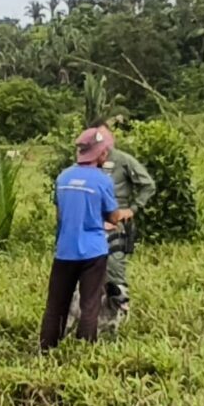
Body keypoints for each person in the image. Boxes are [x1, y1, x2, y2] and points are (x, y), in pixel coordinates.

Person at [42, 129, 123, 350]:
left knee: (56, 304)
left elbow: (59, 215)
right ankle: (85, 351)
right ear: (100, 153)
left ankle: (47, 347)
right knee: (91, 303)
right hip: (93, 252)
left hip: (65, 250)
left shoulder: (63, 177)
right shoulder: (101, 180)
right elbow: (113, 216)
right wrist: (118, 215)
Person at [71, 129, 156, 330]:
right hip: (90, 225)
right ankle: (89, 318)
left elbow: (147, 185)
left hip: (115, 226)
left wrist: (132, 209)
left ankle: (118, 322)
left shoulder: (124, 161)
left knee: (114, 270)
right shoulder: (83, 164)